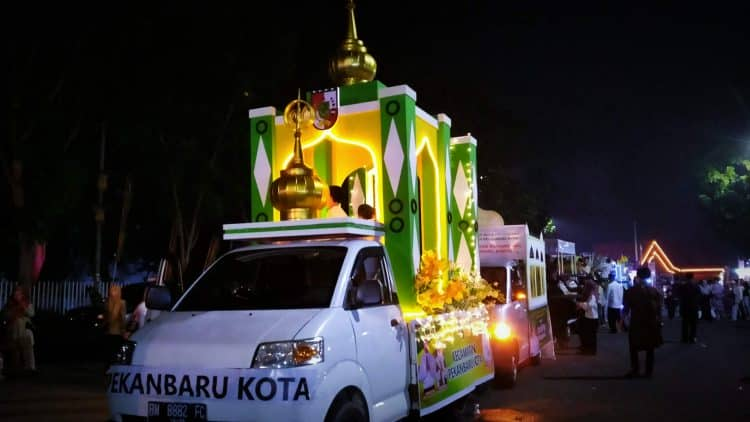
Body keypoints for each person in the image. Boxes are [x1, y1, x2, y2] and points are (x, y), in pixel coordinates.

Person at [623, 267, 663, 378]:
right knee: (650, 348)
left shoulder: (631, 291)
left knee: (634, 347)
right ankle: (648, 371)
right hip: (651, 323)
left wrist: (624, 320)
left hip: (637, 322)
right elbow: (659, 308)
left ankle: (635, 369)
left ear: (638, 276)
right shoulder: (654, 291)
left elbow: (626, 309)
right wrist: (659, 321)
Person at [1, 286, 36, 374]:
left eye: (19, 294)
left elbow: (31, 314)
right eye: (16, 293)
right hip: (13, 332)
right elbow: (6, 316)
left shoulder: (26, 303)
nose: (17, 295)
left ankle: (30, 368)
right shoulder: (9, 305)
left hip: (24, 332)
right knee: (17, 324)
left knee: (28, 337)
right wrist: (15, 311)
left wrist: (23, 307)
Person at [575, 279, 599, 355]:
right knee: (591, 336)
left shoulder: (592, 296)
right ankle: (590, 351)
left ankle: (590, 351)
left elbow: (587, 307)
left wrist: (579, 304)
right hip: (592, 318)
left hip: (591, 318)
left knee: (590, 336)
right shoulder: (594, 295)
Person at [104, 284, 127, 361]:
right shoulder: (122, 303)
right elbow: (123, 319)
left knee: (109, 355)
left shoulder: (107, 303)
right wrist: (124, 330)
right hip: (118, 333)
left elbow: (106, 318)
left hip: (109, 333)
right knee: (117, 354)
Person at [678, 272, 700, 343]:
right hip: (694, 307)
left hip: (685, 307)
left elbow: (680, 297)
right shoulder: (696, 286)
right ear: (692, 277)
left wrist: (680, 308)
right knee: (693, 324)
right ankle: (692, 338)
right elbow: (699, 296)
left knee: (685, 324)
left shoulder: (683, 286)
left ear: (686, 277)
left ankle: (685, 338)